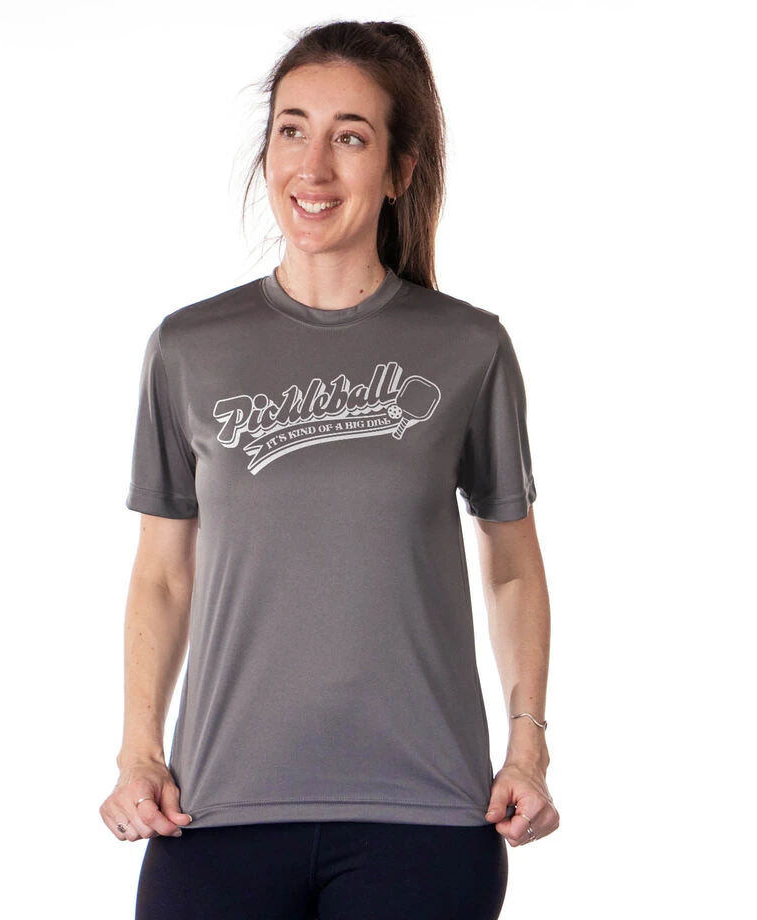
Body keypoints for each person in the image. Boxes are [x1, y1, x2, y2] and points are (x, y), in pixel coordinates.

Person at [99, 19, 558, 920]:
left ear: (398, 170)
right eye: (292, 130)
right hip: (215, 810)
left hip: (425, 818)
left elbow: (510, 565)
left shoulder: (468, 347)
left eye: (350, 137)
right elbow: (163, 574)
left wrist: (528, 748)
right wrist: (138, 751)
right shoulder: (189, 348)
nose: (312, 167)